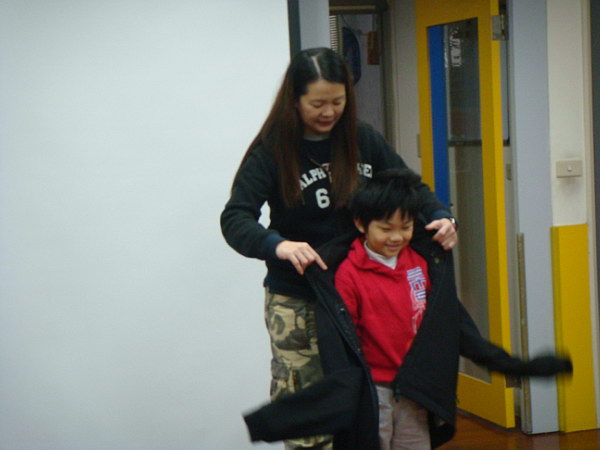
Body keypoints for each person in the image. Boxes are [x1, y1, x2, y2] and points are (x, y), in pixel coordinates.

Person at [220, 47, 457, 449]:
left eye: (337, 101)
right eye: (317, 104)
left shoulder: (362, 138)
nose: (328, 112)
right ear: (294, 100)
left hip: (361, 294)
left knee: (365, 406)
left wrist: (440, 215)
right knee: (312, 411)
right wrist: (279, 246)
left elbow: (410, 188)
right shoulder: (272, 151)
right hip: (300, 298)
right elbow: (235, 218)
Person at [334, 169, 436, 450]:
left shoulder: (419, 263)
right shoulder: (348, 275)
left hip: (413, 385)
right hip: (374, 388)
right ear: (361, 224)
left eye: (405, 227)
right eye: (386, 229)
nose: (396, 237)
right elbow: (346, 338)